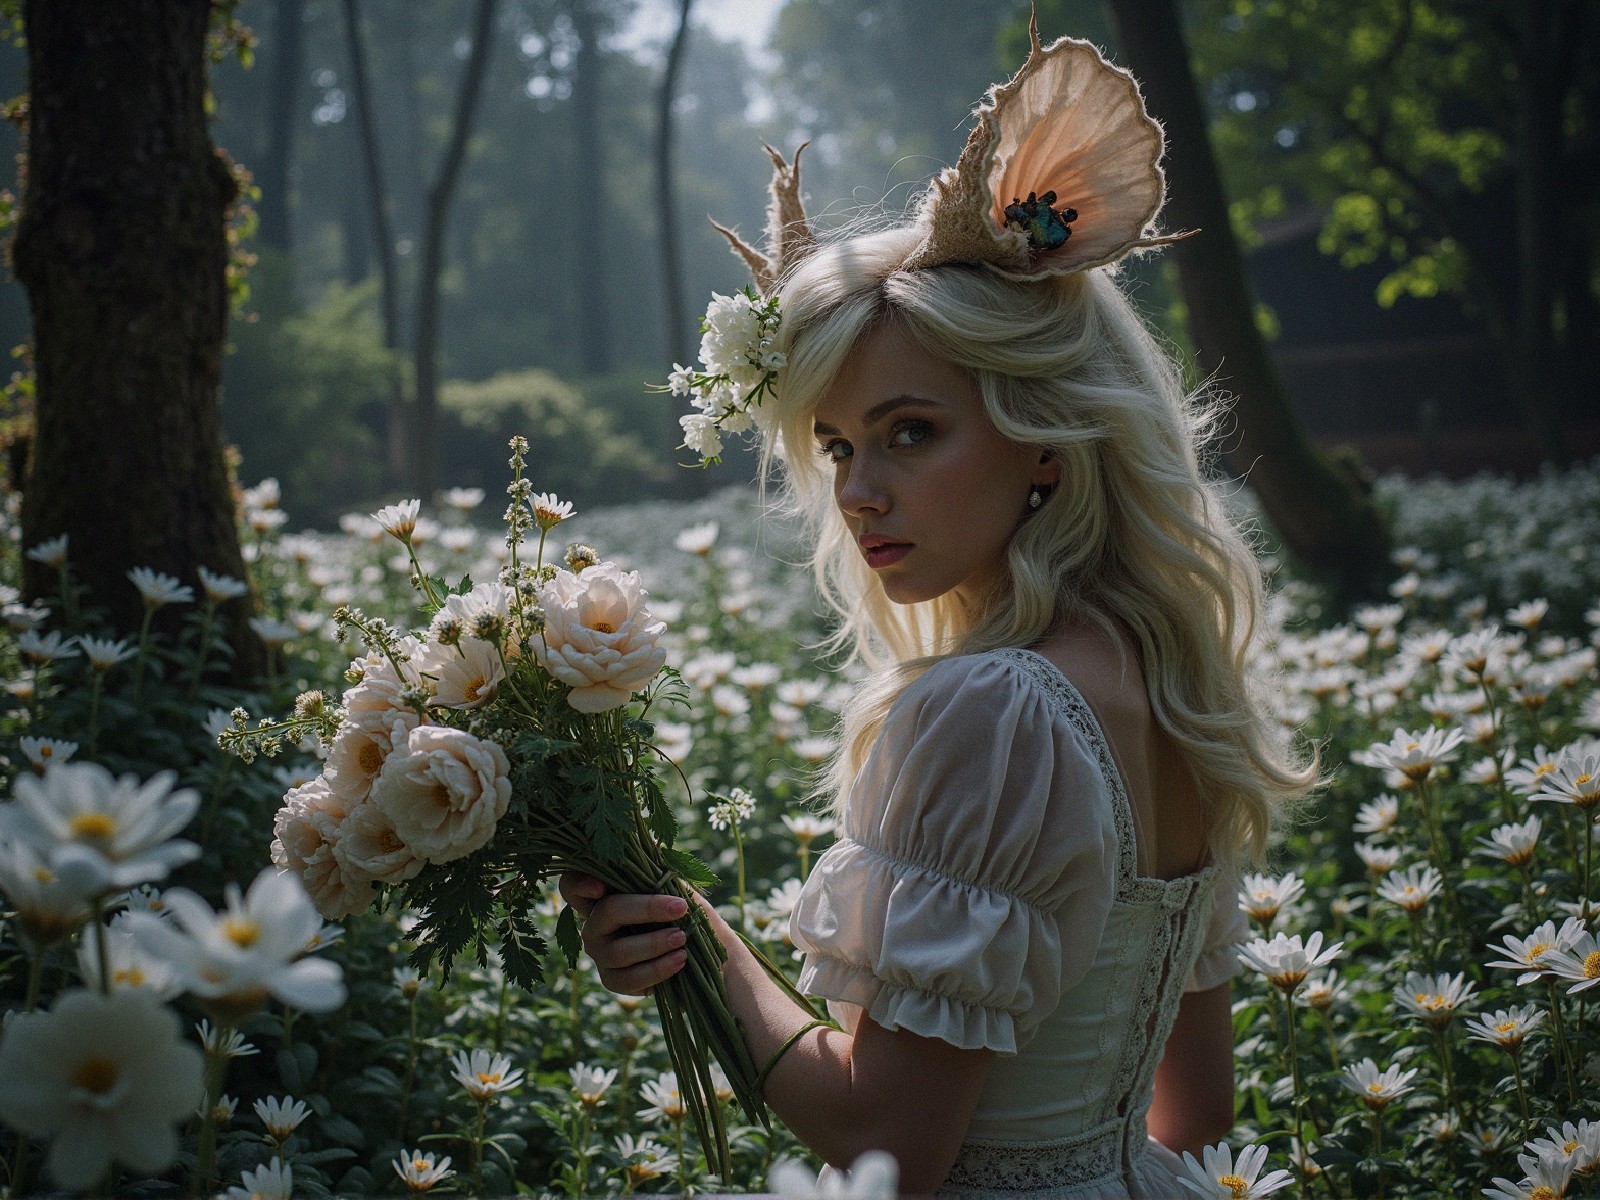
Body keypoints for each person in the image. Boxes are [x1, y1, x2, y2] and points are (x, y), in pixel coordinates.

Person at [560, 18, 1311, 1198]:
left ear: (1046, 443)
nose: (860, 493)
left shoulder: (997, 710)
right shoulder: (1166, 676)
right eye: (838, 444)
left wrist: (699, 946)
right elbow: (1198, 1114)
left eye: (913, 432)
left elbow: (885, 1151)